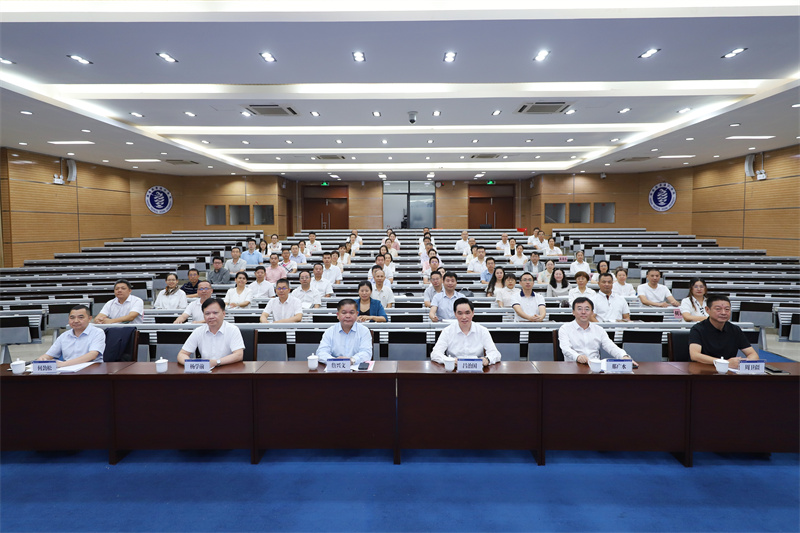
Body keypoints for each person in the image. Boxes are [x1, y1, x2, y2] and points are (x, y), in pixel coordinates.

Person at [689, 294, 760, 369]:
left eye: (727, 309)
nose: (723, 313)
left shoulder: (735, 329)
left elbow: (753, 354)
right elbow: (695, 355)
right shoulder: (697, 329)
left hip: (729, 371)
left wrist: (744, 362)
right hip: (703, 370)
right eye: (718, 309)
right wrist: (724, 362)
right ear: (707, 310)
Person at [558, 297, 634, 364]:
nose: (583, 312)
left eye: (587, 309)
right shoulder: (565, 329)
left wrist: (623, 356)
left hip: (594, 367)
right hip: (572, 367)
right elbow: (565, 348)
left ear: (592, 313)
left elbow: (610, 346)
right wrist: (577, 357)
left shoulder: (599, 329)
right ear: (573, 312)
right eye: (579, 309)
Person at [431, 298, 501, 367]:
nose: (464, 317)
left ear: (473, 313)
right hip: (454, 369)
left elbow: (495, 353)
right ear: (455, 314)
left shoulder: (482, 331)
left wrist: (487, 359)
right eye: (460, 313)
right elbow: (435, 354)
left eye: (467, 313)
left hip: (477, 369)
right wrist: (450, 360)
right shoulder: (447, 331)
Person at [177, 298, 244, 368]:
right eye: (207, 313)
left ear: (223, 314)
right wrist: (192, 364)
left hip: (228, 370)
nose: (211, 316)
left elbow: (239, 355)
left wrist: (216, 362)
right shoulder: (198, 331)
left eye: (215, 313)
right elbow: (182, 354)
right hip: (205, 370)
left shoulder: (233, 330)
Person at [36, 304, 104, 367]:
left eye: (80, 317)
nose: (76, 321)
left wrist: (64, 364)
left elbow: (92, 355)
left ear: (89, 319)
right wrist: (43, 359)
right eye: (72, 318)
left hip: (91, 369)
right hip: (68, 370)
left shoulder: (97, 332)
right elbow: (49, 355)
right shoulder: (64, 336)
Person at [316, 299, 373, 365]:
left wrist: (352, 360)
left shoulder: (364, 331)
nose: (348, 316)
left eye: (351, 313)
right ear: (338, 315)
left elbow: (366, 353)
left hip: (356, 369)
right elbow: (321, 352)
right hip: (334, 368)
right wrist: (335, 361)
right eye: (344, 313)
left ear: (357, 314)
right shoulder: (330, 331)